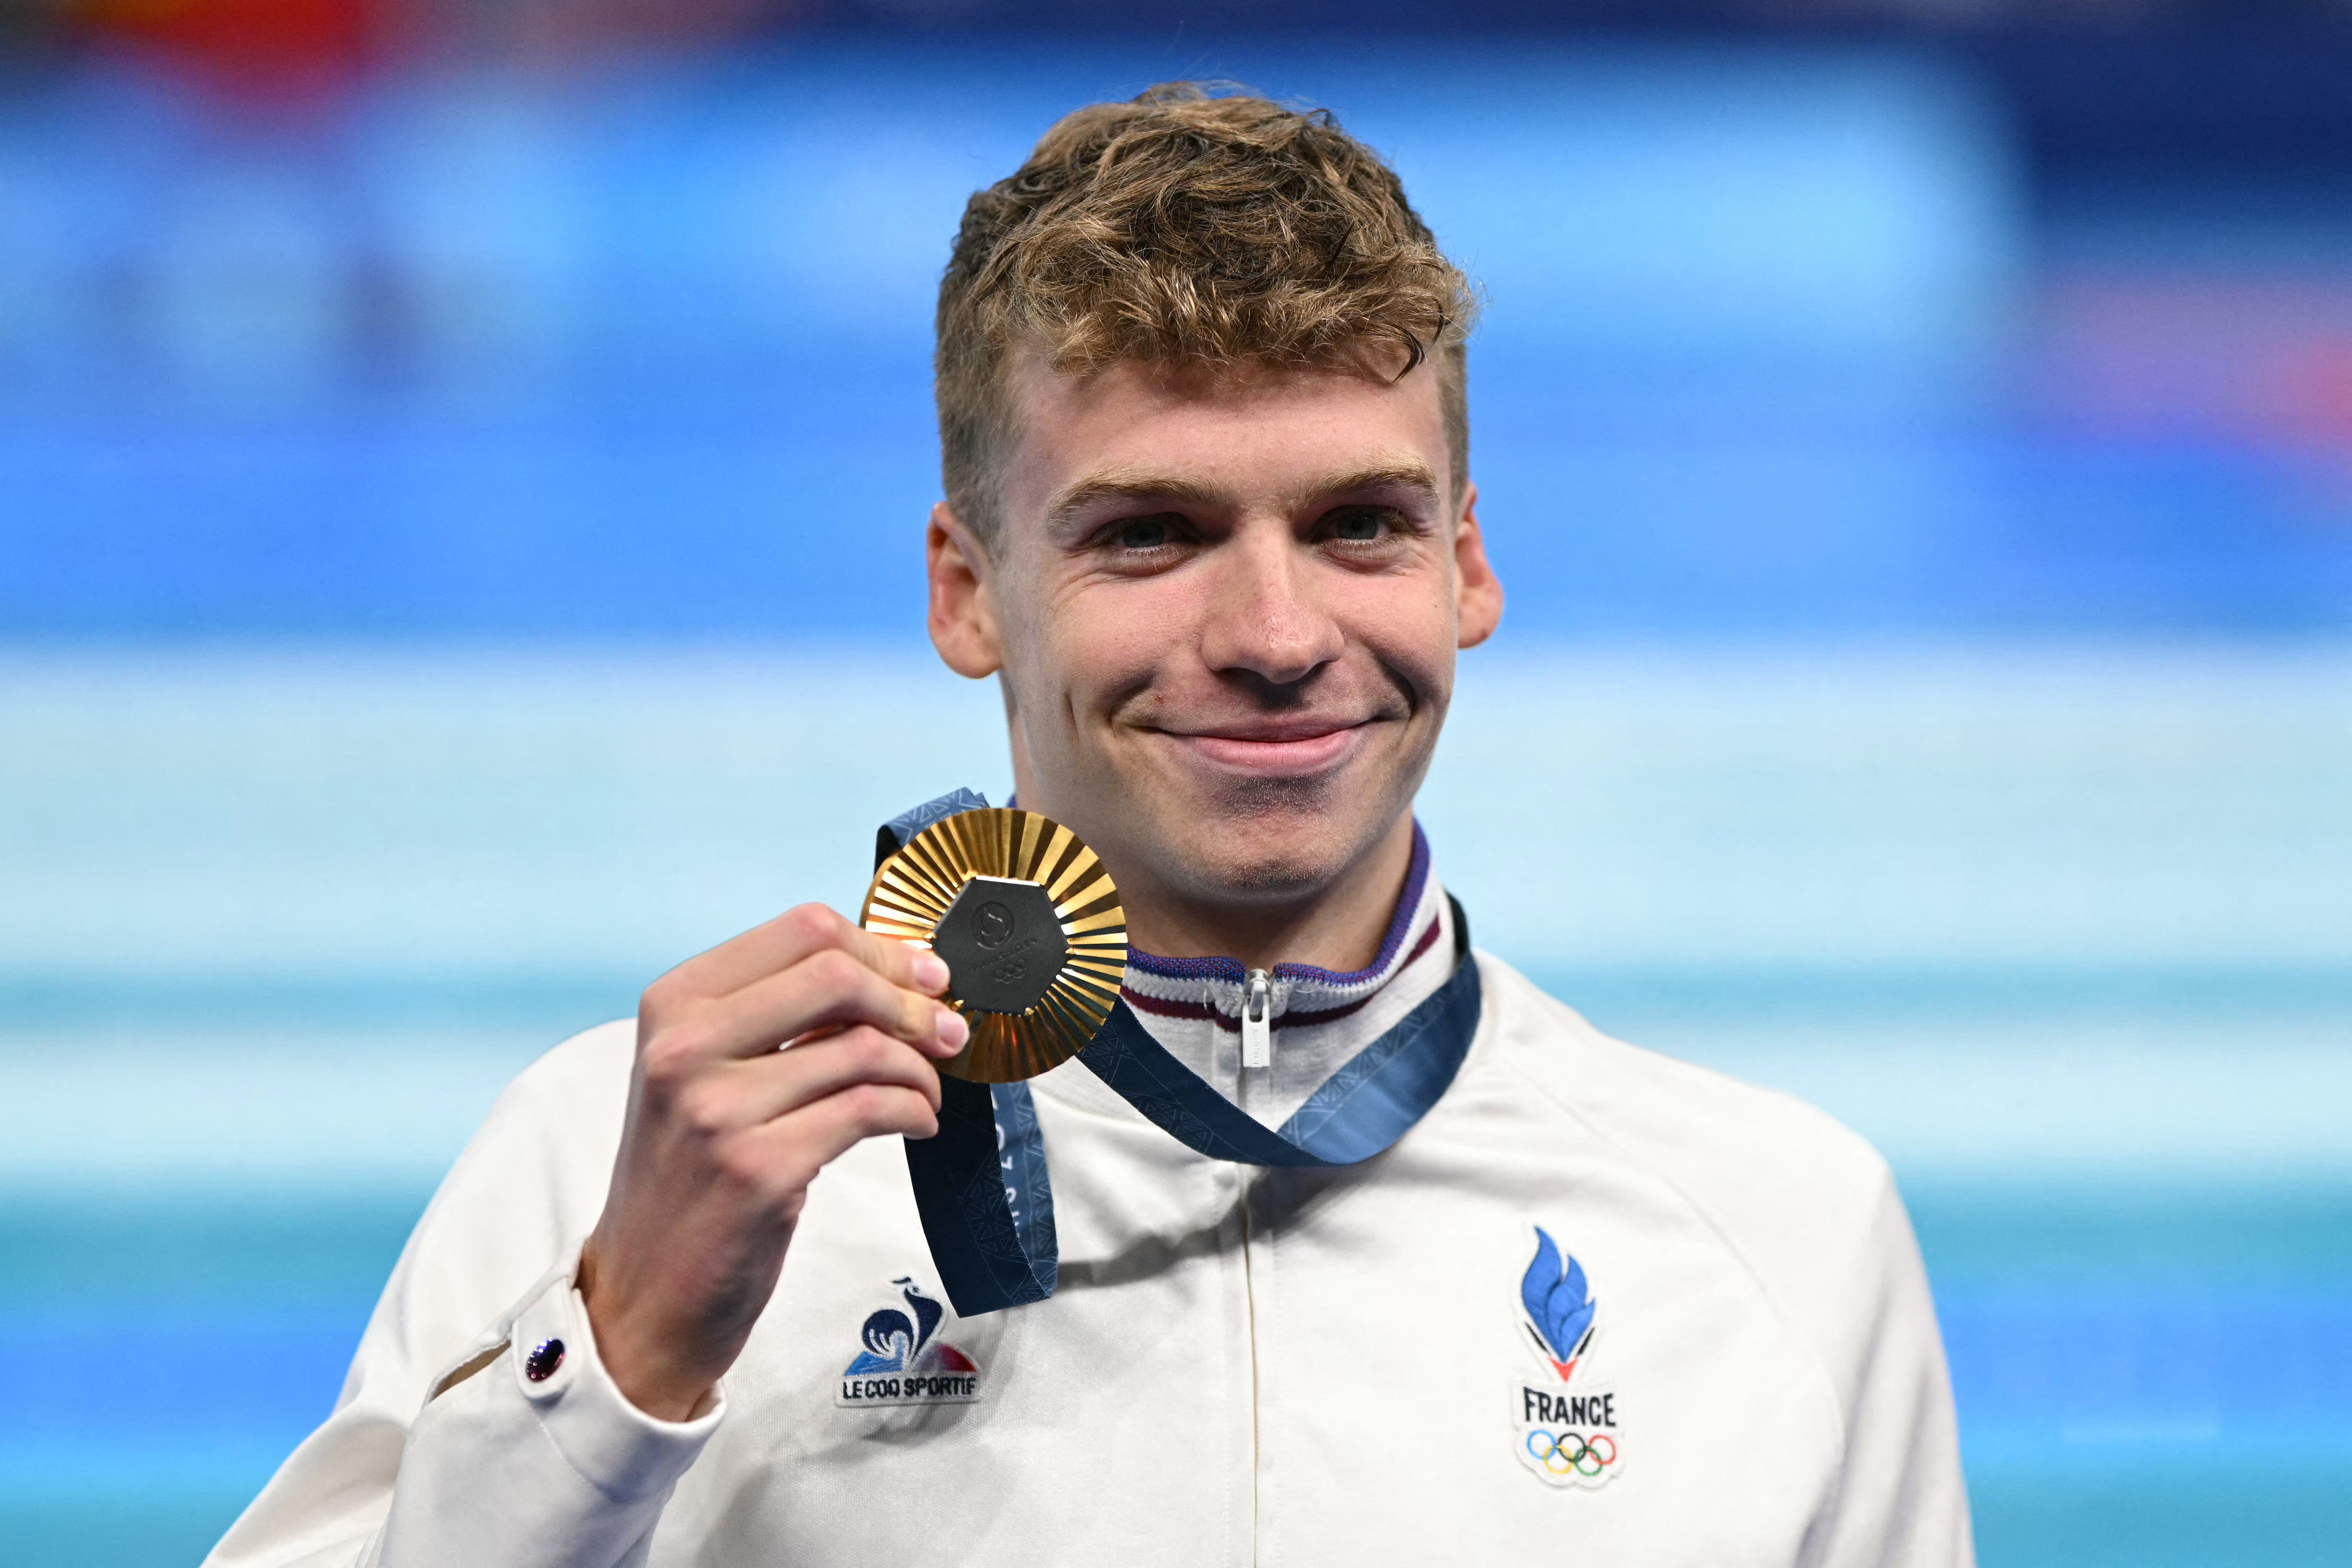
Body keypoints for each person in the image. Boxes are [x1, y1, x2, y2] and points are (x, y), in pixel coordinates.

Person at [208, 83, 1970, 1567]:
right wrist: (618, 1357)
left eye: (1360, 524)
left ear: (1469, 563)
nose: (1278, 639)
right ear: (968, 594)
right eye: (1148, 535)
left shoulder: (1779, 1235)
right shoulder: (622, 1159)